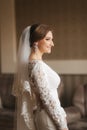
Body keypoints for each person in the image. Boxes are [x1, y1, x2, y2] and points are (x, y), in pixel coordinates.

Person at [12, 23, 69, 130]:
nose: (52, 44)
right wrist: (62, 124)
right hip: (49, 119)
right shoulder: (37, 66)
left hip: (49, 116)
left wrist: (62, 114)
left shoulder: (34, 63)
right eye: (48, 39)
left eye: (52, 39)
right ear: (35, 41)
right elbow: (46, 98)